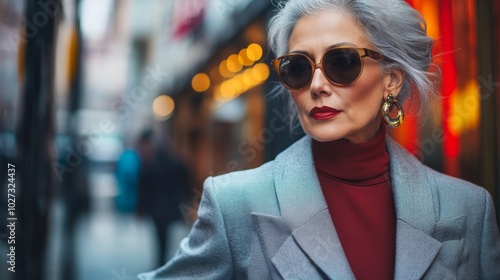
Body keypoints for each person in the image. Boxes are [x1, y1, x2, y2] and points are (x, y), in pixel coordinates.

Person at [138, 0, 500, 279]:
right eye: (297, 67)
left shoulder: (469, 209)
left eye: (342, 62)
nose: (316, 85)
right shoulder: (234, 203)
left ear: (391, 78)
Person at [136, 129, 191, 268]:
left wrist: (142, 207)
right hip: (172, 207)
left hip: (156, 208)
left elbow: (144, 189)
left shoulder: (150, 165)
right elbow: (184, 186)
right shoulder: (178, 163)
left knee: (160, 238)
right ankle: (166, 264)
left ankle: (160, 263)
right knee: (170, 239)